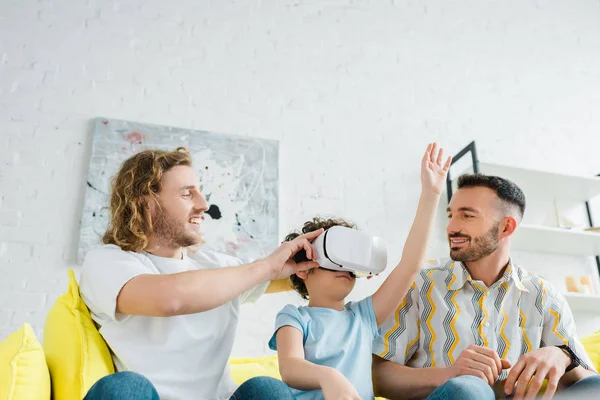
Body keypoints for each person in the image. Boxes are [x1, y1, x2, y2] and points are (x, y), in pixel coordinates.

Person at [80, 147, 323, 400]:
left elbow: (300, 275)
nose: (203, 205)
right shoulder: (107, 260)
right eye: (187, 194)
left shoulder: (216, 266)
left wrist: (340, 260)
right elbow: (171, 298)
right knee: (125, 387)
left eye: (200, 193)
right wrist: (263, 268)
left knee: (266, 389)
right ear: (146, 203)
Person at [372, 173, 600, 400]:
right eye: (450, 215)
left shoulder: (543, 294)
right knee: (469, 390)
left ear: (506, 228)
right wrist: (450, 374)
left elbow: (588, 383)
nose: (451, 227)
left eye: (467, 216)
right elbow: (376, 376)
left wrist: (563, 357)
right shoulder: (421, 283)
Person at [269, 143, 451, 399]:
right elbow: (290, 368)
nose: (345, 269)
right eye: (333, 259)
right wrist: (329, 376)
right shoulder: (295, 317)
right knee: (265, 386)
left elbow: (409, 267)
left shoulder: (363, 318)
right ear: (303, 270)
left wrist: (431, 194)